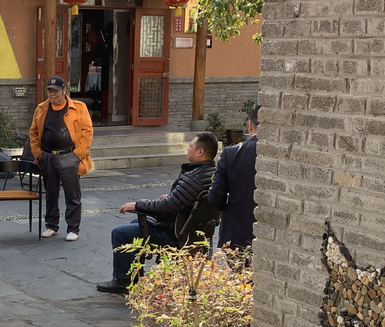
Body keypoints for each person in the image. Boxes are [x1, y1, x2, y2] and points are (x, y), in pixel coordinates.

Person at [97, 132, 218, 294]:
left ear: (200, 152)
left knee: (119, 233)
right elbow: (187, 199)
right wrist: (173, 196)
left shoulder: (193, 178)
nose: (187, 149)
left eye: (190, 146)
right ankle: (134, 276)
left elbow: (167, 208)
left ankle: (123, 281)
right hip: (192, 231)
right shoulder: (211, 174)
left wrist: (138, 204)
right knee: (136, 224)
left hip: (176, 233)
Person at [29, 75, 94, 242]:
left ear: (64, 90)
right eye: (50, 91)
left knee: (72, 195)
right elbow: (33, 132)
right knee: (50, 194)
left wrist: (78, 154)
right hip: (48, 156)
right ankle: (51, 225)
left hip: (69, 156)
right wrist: (38, 154)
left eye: (56, 91)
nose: (52, 95)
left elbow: (87, 132)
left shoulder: (78, 107)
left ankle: (73, 228)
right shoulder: (41, 108)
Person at [209, 105, 259, 249]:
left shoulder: (231, 153)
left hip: (236, 232)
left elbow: (216, 197)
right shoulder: (285, 156)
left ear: (250, 125)